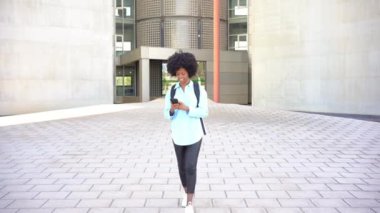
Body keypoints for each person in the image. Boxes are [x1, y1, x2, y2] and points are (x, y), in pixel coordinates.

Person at [164, 51, 208, 213]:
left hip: (194, 134)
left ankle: (190, 201)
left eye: (183, 73)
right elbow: (165, 114)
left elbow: (204, 112)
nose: (180, 76)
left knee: (190, 167)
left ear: (189, 71)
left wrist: (187, 108)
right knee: (181, 168)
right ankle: (185, 191)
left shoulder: (198, 89)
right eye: (177, 74)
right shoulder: (172, 91)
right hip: (177, 135)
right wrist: (172, 110)